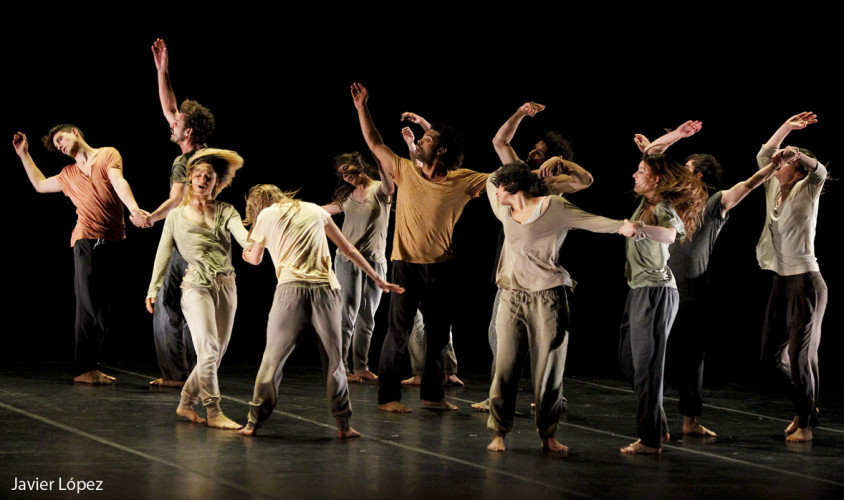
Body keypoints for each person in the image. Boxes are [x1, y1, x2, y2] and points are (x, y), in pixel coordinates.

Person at [351, 82, 488, 412]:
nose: (419, 140)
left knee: (440, 335)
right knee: (398, 332)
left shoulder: (464, 180)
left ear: (440, 151)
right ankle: (387, 398)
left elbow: (502, 183)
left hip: (441, 267)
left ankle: (432, 395)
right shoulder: (404, 171)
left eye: (426, 139)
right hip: (405, 265)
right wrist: (362, 108)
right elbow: (374, 142)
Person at [635, 121, 778, 437]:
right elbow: (654, 167)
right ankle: (654, 420)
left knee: (691, 356)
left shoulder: (715, 204)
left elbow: (749, 185)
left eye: (687, 167)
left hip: (694, 290)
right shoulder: (671, 201)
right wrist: (650, 150)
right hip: (662, 286)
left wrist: (770, 170)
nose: (681, 171)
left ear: (698, 175)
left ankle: (689, 421)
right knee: (648, 355)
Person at [484, 163, 638, 453]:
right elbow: (492, 178)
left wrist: (622, 227)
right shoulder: (503, 209)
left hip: (548, 298)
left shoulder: (554, 207)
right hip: (511, 298)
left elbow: (590, 220)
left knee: (548, 370)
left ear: (513, 188)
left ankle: (548, 434)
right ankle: (498, 432)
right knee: (504, 367)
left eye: (503, 187)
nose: (496, 192)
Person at [238, 185, 404, 438]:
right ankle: (343, 426)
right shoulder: (314, 210)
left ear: (257, 205)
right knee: (334, 363)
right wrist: (377, 279)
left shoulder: (265, 215)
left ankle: (253, 423)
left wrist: (246, 254)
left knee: (272, 360)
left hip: (291, 292)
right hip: (326, 291)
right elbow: (348, 248)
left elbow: (256, 258)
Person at [473, 101, 594, 413]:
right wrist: (519, 114)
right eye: (535, 150)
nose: (533, 155)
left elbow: (586, 181)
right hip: (512, 269)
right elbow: (500, 141)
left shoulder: (553, 186)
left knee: (545, 339)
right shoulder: (519, 175)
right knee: (497, 334)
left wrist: (562, 163)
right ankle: (498, 395)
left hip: (542, 270)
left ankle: (553, 397)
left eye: (541, 152)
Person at [13, 126, 146, 384]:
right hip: (85, 239)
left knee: (106, 309)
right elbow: (40, 185)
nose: (60, 146)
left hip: (114, 239)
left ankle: (91, 366)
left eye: (60, 139)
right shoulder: (68, 174)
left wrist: (134, 209)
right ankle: (85, 368)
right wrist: (23, 155)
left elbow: (118, 181)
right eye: (57, 145)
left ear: (75, 132)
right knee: (87, 305)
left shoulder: (107, 155)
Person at [146, 149, 247, 430]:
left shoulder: (226, 211)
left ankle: (185, 403)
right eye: (198, 174)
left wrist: (259, 241)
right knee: (209, 350)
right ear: (190, 178)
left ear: (217, 182)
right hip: (195, 287)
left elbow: (244, 239)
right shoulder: (176, 216)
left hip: (226, 287)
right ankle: (214, 412)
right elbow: (163, 254)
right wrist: (153, 289)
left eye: (209, 176)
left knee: (213, 354)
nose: (202, 179)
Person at [137, 38, 218, 387]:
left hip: (189, 242)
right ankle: (193, 374)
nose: (170, 123)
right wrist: (162, 71)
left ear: (191, 130)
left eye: (178, 123)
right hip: (204, 243)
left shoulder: (189, 161)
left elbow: (176, 198)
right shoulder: (206, 153)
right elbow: (170, 108)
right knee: (191, 306)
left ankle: (177, 375)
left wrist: (150, 217)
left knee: (169, 304)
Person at [619, 143, 707, 454]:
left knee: (647, 367)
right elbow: (653, 156)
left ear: (656, 180)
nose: (635, 173)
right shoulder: (645, 202)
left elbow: (671, 235)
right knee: (630, 364)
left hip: (657, 291)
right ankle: (658, 427)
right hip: (639, 290)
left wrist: (639, 228)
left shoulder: (662, 209)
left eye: (642, 172)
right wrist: (676, 135)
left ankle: (650, 440)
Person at [755, 112, 827, 443]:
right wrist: (786, 127)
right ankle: (805, 406)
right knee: (770, 359)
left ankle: (806, 424)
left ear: (797, 171)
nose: (778, 163)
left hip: (806, 282)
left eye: (785, 162)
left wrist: (799, 155)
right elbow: (763, 154)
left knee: (800, 357)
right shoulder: (772, 184)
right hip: (781, 281)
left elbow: (820, 171)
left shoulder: (807, 190)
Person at [322, 152, 393, 383]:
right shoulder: (347, 197)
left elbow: (390, 184)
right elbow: (323, 211)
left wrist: (379, 156)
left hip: (375, 261)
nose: (344, 176)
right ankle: (342, 367)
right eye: (341, 173)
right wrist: (293, 208)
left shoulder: (380, 190)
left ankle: (361, 366)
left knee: (367, 317)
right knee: (346, 315)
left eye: (347, 171)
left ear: (359, 166)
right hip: (347, 260)